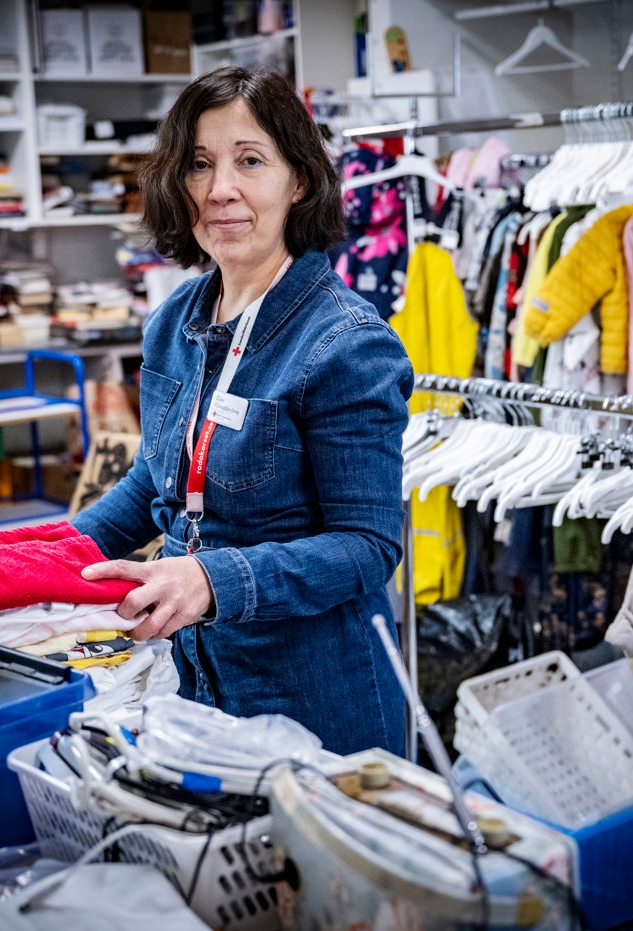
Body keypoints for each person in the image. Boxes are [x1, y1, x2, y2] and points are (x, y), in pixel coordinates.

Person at [71, 67, 413, 756]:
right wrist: (55, 560)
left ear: (300, 181)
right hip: (194, 678)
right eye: (199, 164)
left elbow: (369, 545)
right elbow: (154, 482)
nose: (219, 188)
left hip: (313, 698)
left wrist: (210, 579)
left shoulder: (348, 344)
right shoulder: (175, 322)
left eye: (249, 160)